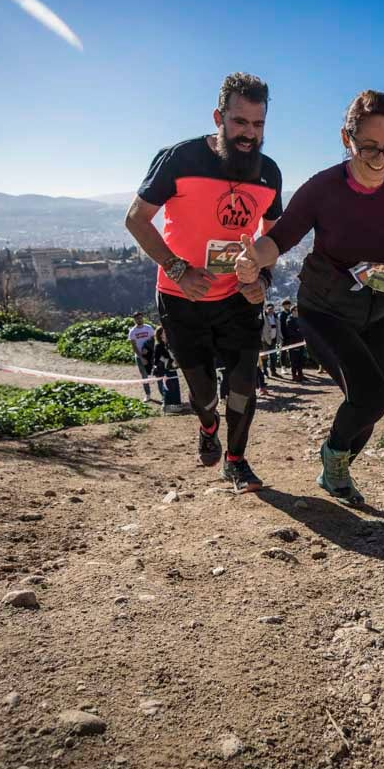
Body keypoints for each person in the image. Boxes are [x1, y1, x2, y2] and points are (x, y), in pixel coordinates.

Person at [236, 90, 384, 505]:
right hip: (322, 309)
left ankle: (334, 468)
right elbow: (280, 238)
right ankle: (333, 460)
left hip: (372, 311)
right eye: (369, 147)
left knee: (370, 409)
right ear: (346, 139)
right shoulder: (322, 188)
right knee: (370, 397)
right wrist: (252, 259)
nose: (381, 159)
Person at [124, 72, 283, 492]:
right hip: (182, 298)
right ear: (218, 118)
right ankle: (208, 424)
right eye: (239, 122)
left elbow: (274, 238)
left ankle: (236, 461)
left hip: (238, 298)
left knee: (243, 385)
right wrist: (178, 269)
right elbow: (136, 219)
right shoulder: (180, 158)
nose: (249, 134)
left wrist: (262, 278)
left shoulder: (269, 173)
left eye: (258, 124)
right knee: (204, 394)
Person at [150, 326, 185, 413]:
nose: (166, 333)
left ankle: (176, 405)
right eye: (164, 332)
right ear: (160, 335)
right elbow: (156, 360)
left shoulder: (169, 344)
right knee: (168, 388)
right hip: (166, 370)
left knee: (175, 387)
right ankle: (167, 406)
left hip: (173, 368)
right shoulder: (158, 346)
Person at [128, 312, 160, 401]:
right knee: (144, 376)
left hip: (151, 355)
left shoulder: (148, 328)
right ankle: (148, 395)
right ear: (134, 320)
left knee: (158, 374)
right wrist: (141, 358)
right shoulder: (132, 331)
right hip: (139, 357)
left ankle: (163, 395)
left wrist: (149, 349)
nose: (139, 320)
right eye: (137, 318)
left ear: (143, 318)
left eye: (140, 318)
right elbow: (134, 346)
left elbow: (154, 340)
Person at [279, 299, 305, 381]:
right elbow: (291, 332)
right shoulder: (289, 320)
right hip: (293, 342)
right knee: (294, 359)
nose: (297, 312)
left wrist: (299, 331)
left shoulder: (299, 319)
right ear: (292, 311)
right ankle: (294, 375)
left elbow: (303, 330)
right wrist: (299, 331)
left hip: (300, 341)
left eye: (298, 311)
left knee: (300, 359)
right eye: (295, 310)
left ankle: (300, 374)